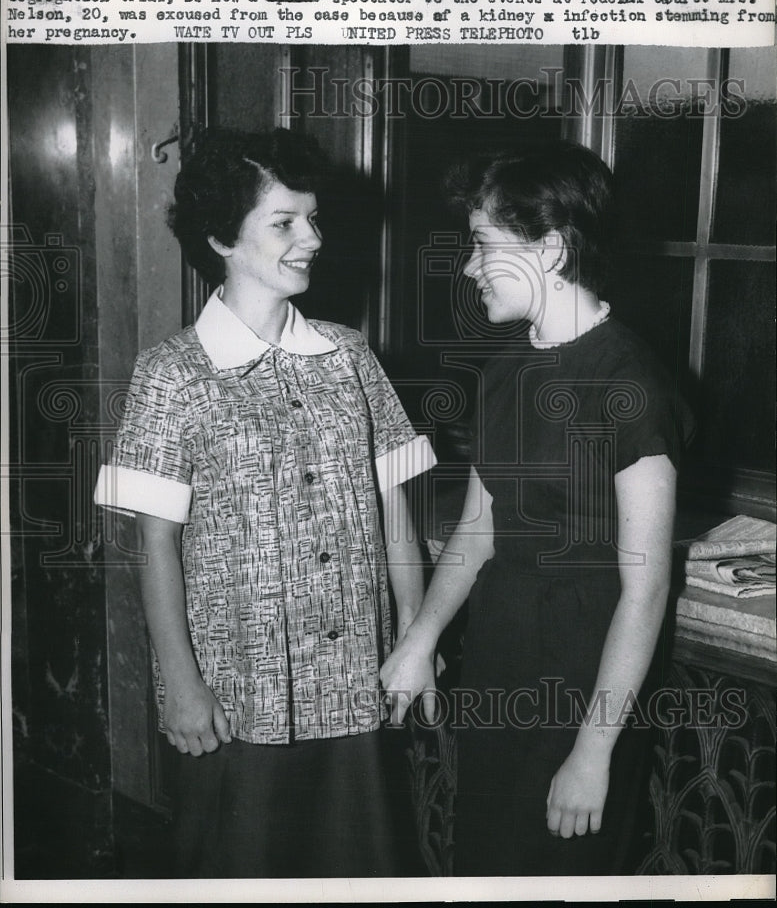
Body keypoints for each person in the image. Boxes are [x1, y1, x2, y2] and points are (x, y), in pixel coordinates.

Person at [94, 127, 435, 878]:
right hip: (236, 696)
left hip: (355, 684)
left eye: (312, 219)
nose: (310, 237)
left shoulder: (349, 356)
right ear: (221, 237)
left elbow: (394, 511)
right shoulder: (169, 375)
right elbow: (153, 546)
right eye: (284, 222)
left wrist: (414, 636)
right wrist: (179, 684)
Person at [380, 139, 688, 876]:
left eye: (482, 245)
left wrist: (593, 750)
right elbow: (478, 528)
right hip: (502, 656)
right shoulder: (504, 373)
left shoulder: (628, 383)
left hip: (588, 678)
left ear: (549, 249)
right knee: (486, 865)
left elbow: (645, 591)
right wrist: (421, 638)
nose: (466, 267)